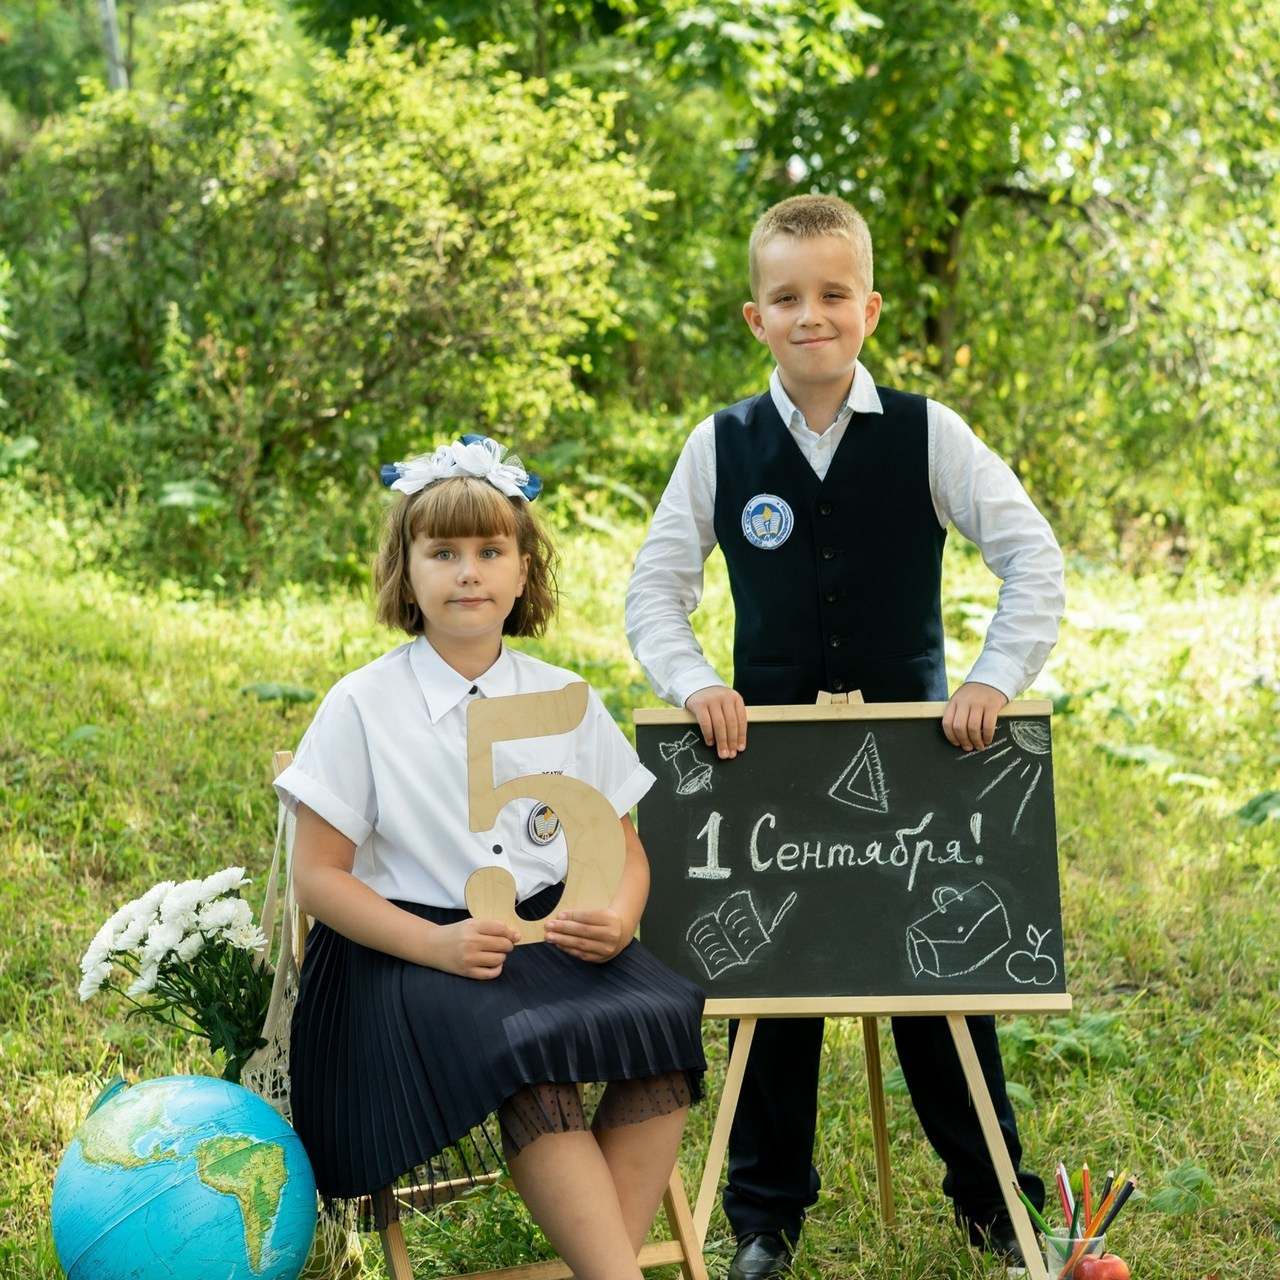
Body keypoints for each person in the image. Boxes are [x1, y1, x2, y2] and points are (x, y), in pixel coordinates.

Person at [625, 194, 1065, 1278]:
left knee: (940, 984)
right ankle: (764, 1217)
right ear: (754, 316)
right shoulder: (719, 443)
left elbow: (1032, 559)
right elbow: (653, 594)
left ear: (866, 307)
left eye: (831, 295)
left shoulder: (926, 432)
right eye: (786, 298)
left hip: (923, 759)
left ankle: (990, 1201)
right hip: (764, 758)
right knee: (769, 991)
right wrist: (690, 683)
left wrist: (990, 679)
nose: (809, 314)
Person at [276, 436, 706, 1280]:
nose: (467, 572)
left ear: (521, 573)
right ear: (407, 571)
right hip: (409, 950)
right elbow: (317, 876)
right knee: (523, 1047)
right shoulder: (363, 704)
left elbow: (625, 849)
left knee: (664, 1013)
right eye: (442, 552)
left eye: (489, 551)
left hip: (549, 934)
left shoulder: (561, 696)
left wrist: (617, 919)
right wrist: (433, 944)